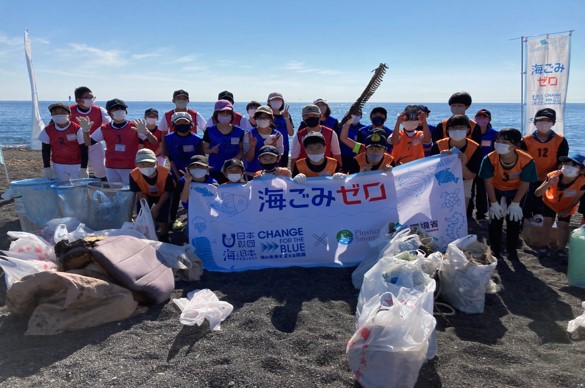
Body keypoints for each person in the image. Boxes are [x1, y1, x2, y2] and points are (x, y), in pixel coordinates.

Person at [478, 128, 538, 260]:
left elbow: (525, 183)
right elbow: (487, 182)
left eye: (505, 141)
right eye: (498, 140)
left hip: (516, 191)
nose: (500, 143)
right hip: (496, 190)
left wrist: (516, 203)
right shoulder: (489, 159)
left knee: (514, 220)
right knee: (495, 220)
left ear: (516, 145)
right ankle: (495, 250)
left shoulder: (527, 160)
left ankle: (512, 250)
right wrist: (493, 203)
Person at [80, 98, 156, 184]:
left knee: (130, 192)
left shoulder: (135, 126)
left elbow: (153, 142)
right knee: (115, 193)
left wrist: (147, 133)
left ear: (126, 111)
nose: (119, 111)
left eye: (121, 109)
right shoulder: (104, 128)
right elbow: (88, 142)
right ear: (109, 113)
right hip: (111, 167)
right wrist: (85, 131)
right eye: (115, 109)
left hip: (130, 166)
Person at [534, 154, 585, 260]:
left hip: (566, 205)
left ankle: (561, 249)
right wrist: (548, 183)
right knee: (547, 222)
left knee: (563, 225)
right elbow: (537, 194)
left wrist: (567, 210)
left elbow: (576, 200)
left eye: (574, 165)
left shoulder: (582, 182)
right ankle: (544, 246)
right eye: (566, 163)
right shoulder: (552, 175)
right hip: (549, 202)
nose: (568, 167)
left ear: (581, 170)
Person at [522, 108, 569, 222]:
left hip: (550, 179)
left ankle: (545, 231)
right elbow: (521, 160)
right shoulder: (525, 140)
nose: (544, 123)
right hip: (530, 178)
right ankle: (525, 229)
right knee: (526, 207)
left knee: (547, 210)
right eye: (541, 120)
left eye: (548, 121)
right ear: (535, 122)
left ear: (553, 123)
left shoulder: (560, 140)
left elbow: (562, 162)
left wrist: (554, 178)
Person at [431, 115, 483, 209]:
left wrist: (462, 165)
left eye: (461, 127)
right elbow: (431, 171)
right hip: (441, 180)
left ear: (468, 130)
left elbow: (470, 176)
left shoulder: (475, 148)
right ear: (447, 131)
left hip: (464, 181)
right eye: (453, 128)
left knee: (460, 212)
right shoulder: (438, 145)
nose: (457, 130)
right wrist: (441, 159)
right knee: (439, 211)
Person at [129, 149, 174, 241]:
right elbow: (140, 193)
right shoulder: (133, 174)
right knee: (142, 213)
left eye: (150, 163)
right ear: (136, 164)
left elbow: (167, 192)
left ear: (156, 163)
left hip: (163, 195)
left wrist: (157, 207)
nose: (146, 166)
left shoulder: (166, 173)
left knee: (164, 215)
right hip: (146, 194)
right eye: (142, 164)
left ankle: (164, 234)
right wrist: (147, 210)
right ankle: (144, 232)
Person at [39, 102, 88, 181]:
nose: (58, 115)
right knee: (61, 189)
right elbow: (45, 150)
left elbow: (84, 149)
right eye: (55, 113)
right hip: (58, 165)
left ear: (70, 116)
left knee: (79, 188)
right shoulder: (48, 130)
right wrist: (47, 167)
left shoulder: (77, 129)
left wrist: (84, 168)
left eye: (62, 112)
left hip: (76, 165)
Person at [69, 86, 110, 180]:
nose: (91, 99)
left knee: (101, 170)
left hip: (94, 144)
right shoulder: (69, 111)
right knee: (78, 171)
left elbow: (110, 126)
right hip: (76, 146)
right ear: (79, 100)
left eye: (92, 97)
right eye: (88, 97)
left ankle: (102, 188)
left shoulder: (100, 110)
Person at [202, 100, 245, 184]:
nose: (225, 115)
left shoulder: (239, 131)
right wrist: (211, 150)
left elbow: (242, 149)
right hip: (215, 168)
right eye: (222, 113)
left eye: (228, 113)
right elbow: (204, 149)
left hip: (234, 170)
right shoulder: (209, 131)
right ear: (216, 114)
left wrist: (236, 158)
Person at [468, 109, 499, 220]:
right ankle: (468, 212)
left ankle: (481, 213)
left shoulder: (494, 134)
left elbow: (497, 151)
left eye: (484, 117)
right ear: (475, 119)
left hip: (486, 167)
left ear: (489, 119)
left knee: (482, 190)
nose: (482, 119)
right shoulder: (470, 133)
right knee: (469, 190)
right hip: (471, 166)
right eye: (479, 117)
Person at [243, 105, 283, 180]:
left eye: (265, 117)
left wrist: (272, 147)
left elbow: (279, 158)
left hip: (272, 174)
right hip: (252, 173)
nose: (262, 120)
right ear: (255, 119)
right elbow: (248, 159)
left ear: (271, 119)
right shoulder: (249, 135)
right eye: (260, 118)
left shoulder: (278, 135)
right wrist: (252, 146)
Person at [267, 92, 294, 167]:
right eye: (274, 100)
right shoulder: (266, 116)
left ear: (282, 102)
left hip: (284, 149)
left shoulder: (286, 115)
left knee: (283, 172)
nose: (276, 102)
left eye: (279, 100)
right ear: (268, 102)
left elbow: (291, 133)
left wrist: (287, 119)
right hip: (270, 148)